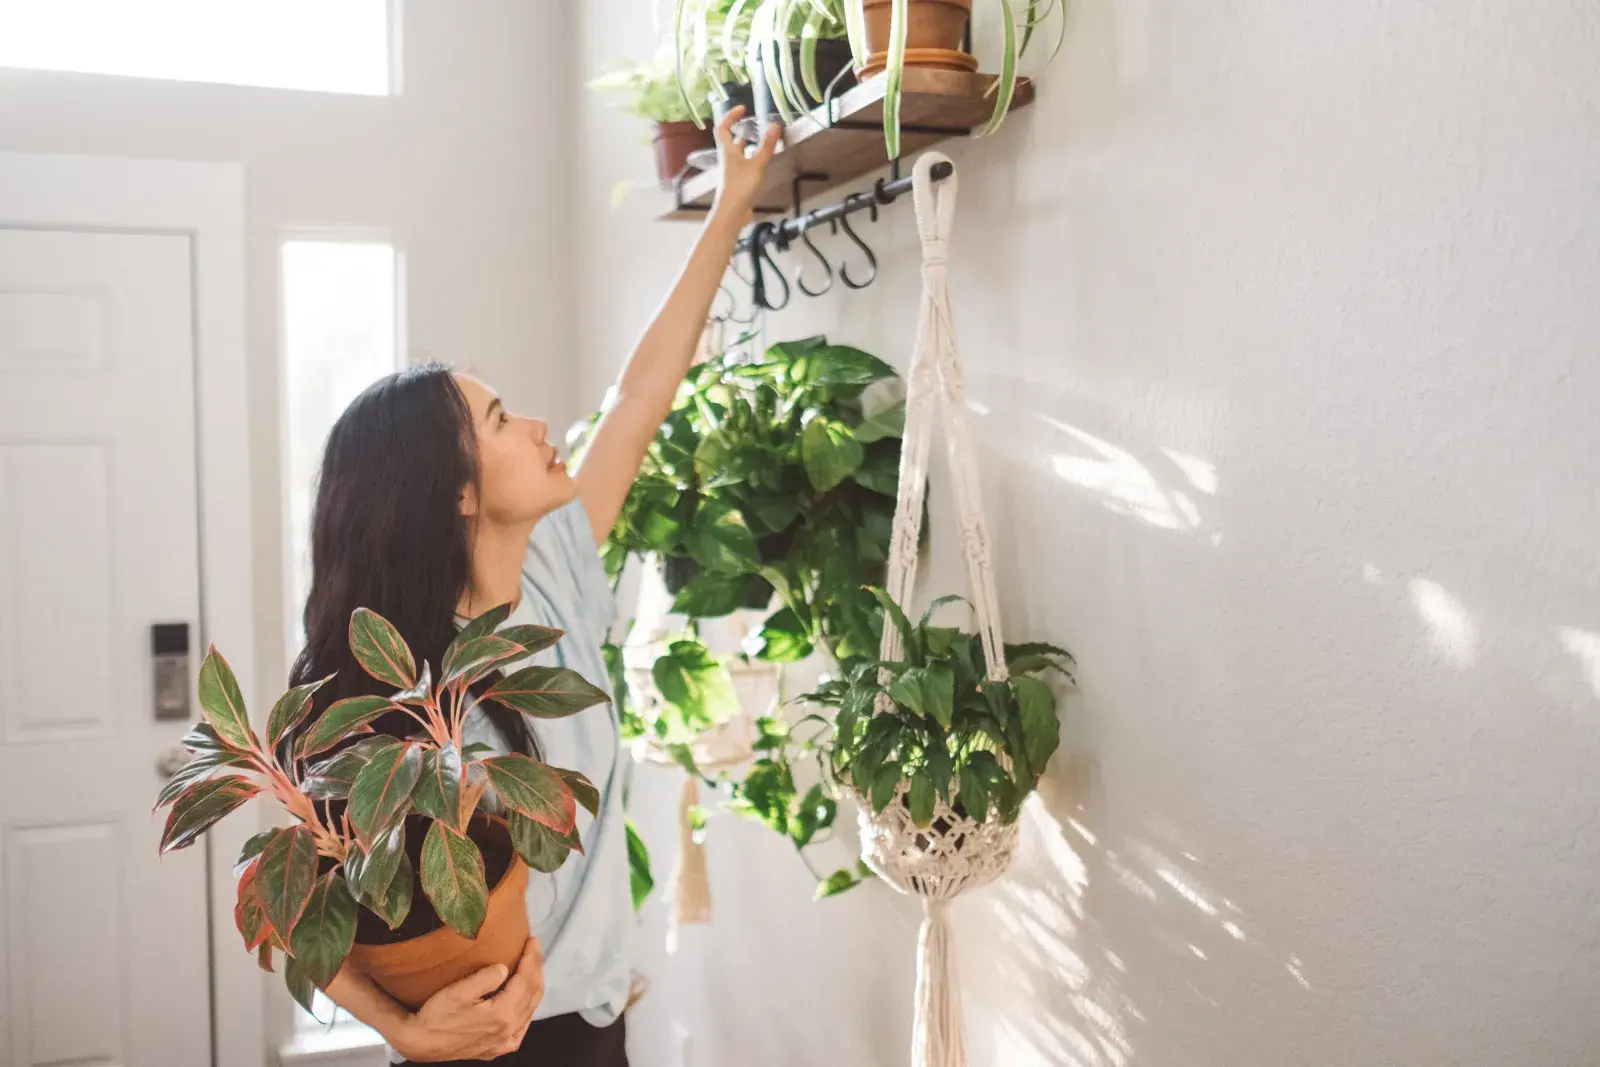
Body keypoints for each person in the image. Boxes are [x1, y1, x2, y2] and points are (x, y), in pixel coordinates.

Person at [291, 106, 778, 1065]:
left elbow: (641, 395)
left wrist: (732, 208)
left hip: (595, 1024)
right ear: (460, 493)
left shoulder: (555, 568)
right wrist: (402, 1030)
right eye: (503, 417)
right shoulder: (396, 690)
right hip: (489, 1045)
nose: (540, 424)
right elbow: (295, 902)